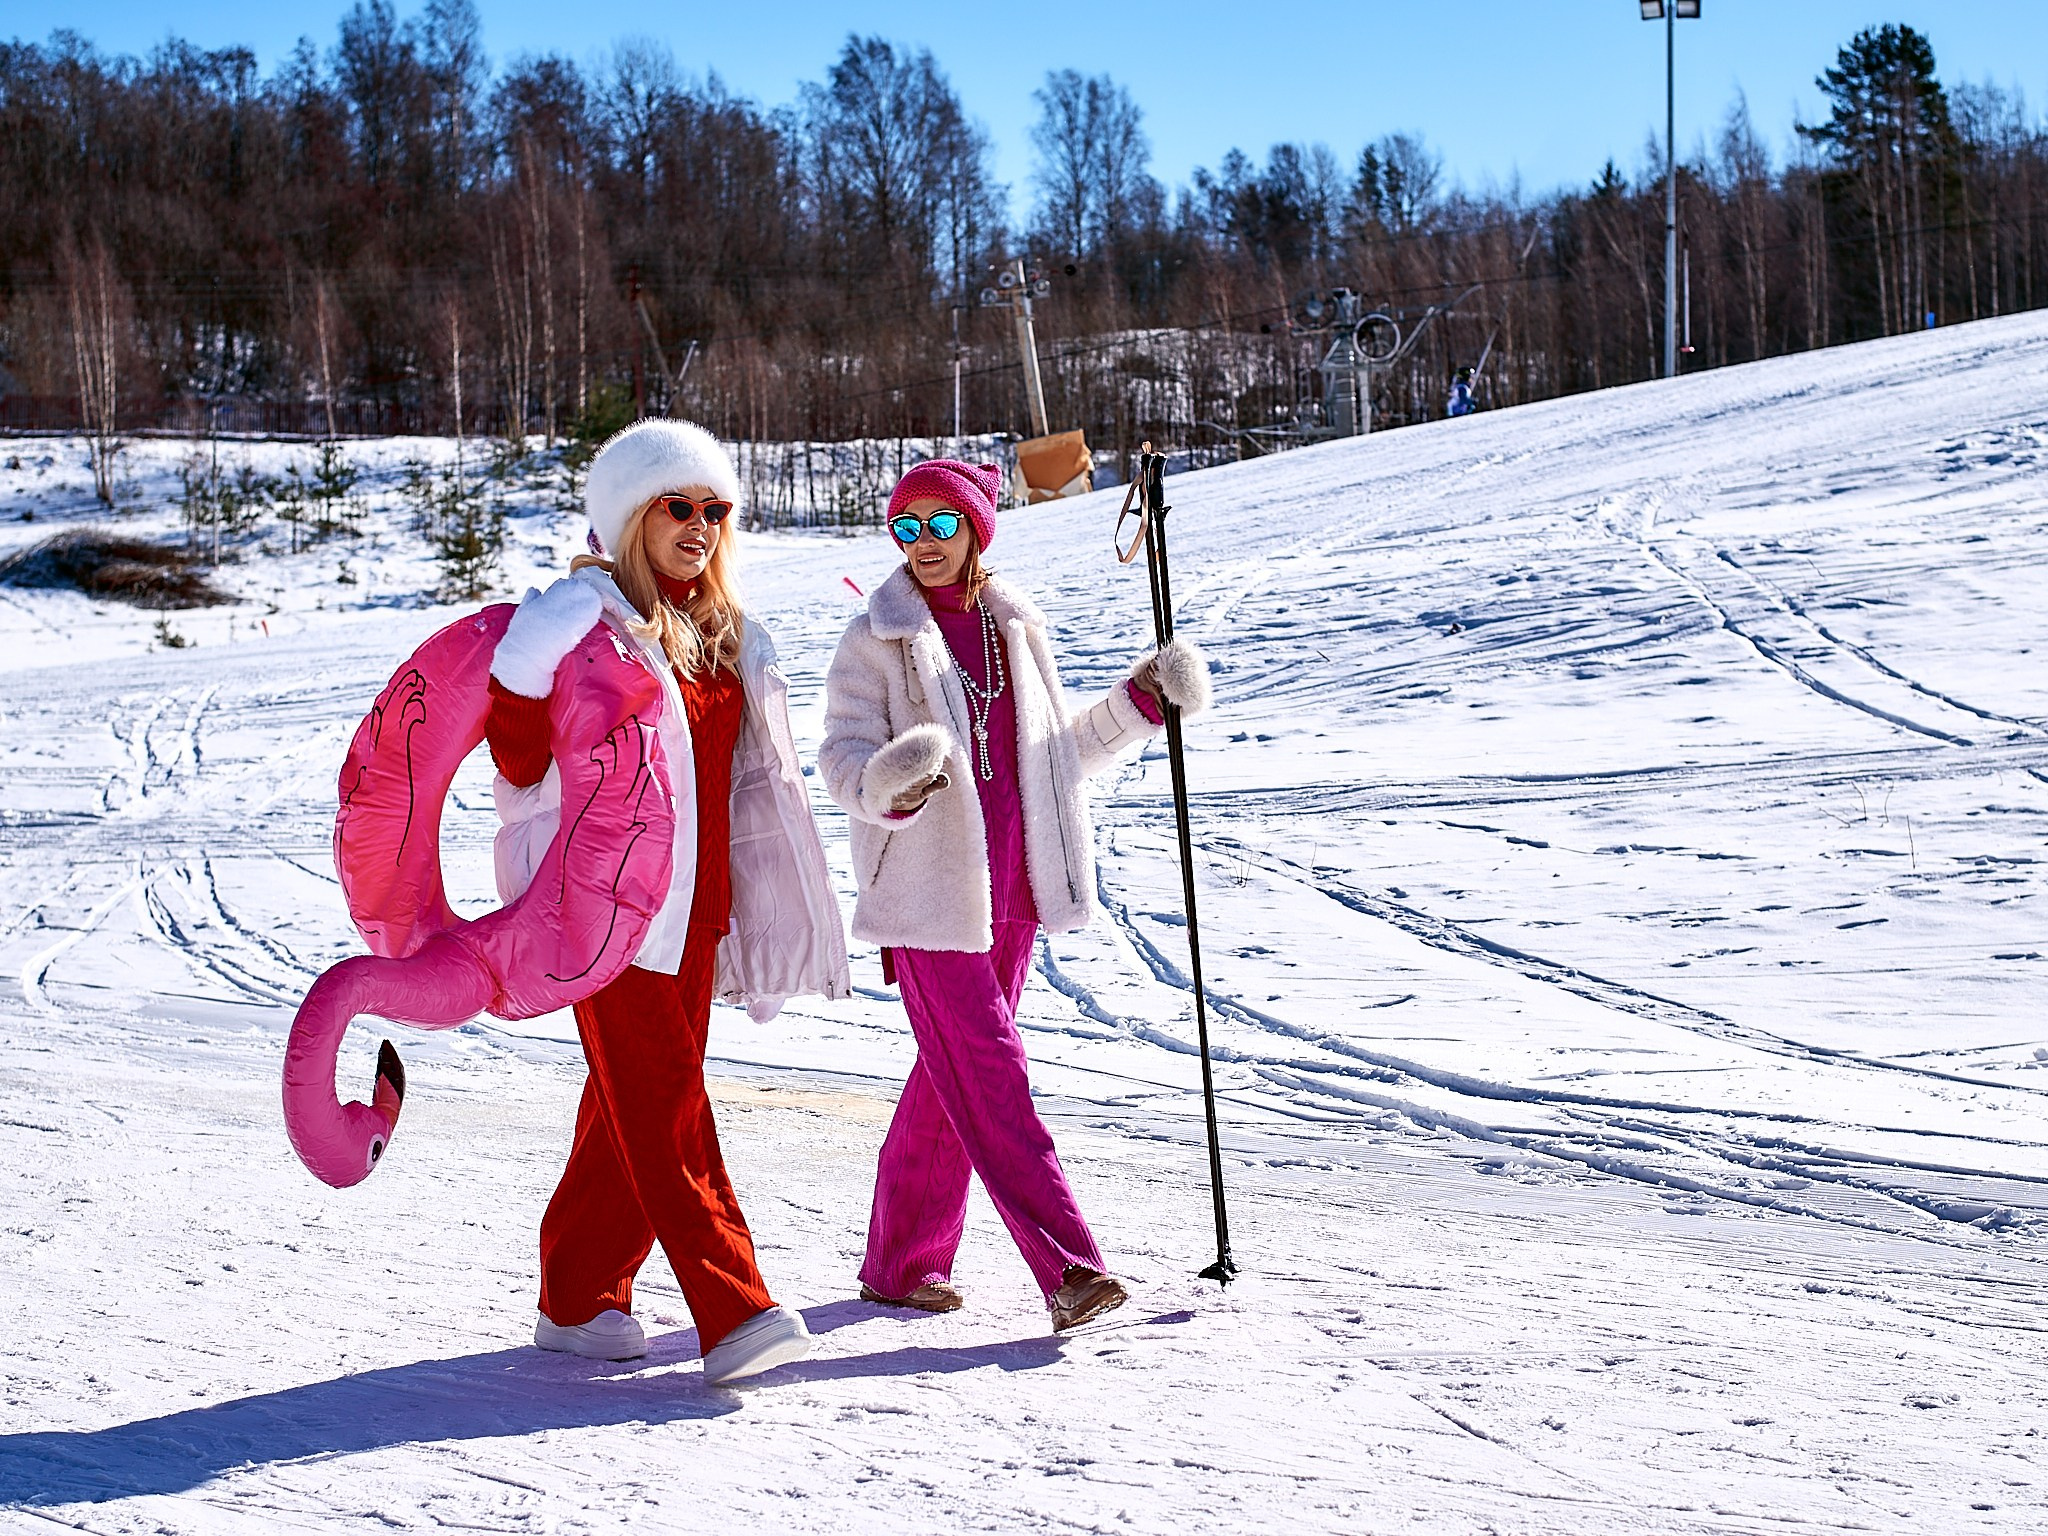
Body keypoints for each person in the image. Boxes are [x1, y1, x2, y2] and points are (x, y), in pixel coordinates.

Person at [485, 419, 850, 1385]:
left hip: (699, 908)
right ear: (630, 516)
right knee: (666, 1107)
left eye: (714, 510)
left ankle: (576, 1293)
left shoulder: (724, 634)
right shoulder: (582, 628)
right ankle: (733, 1306)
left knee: (629, 1106)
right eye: (678, 507)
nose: (700, 525)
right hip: (605, 908)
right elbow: (520, 762)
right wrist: (524, 667)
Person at [820, 460, 1211, 1332]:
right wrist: (890, 783)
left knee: (948, 1080)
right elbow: (844, 759)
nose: (921, 544)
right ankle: (1068, 1266)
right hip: (926, 899)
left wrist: (1143, 703)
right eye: (906, 528)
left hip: (1015, 891)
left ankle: (899, 1262)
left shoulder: (1016, 627)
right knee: (994, 1076)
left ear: (975, 531)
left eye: (938, 525)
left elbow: (1057, 755)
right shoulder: (874, 638)